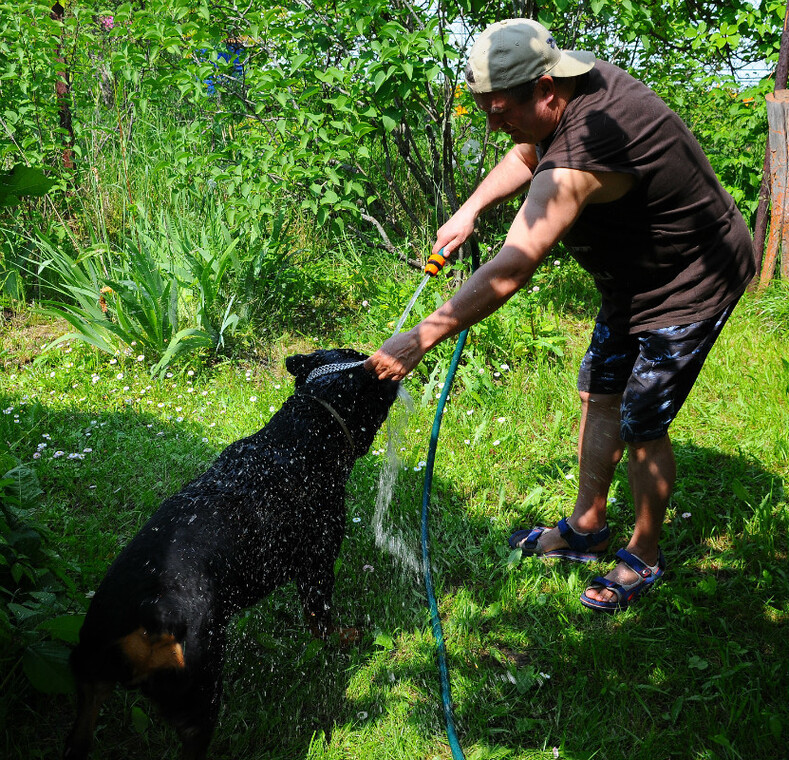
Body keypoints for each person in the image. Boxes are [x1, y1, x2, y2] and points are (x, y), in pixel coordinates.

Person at [364, 18, 754, 612]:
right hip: (633, 280)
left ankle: (644, 557)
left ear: (546, 89)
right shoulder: (562, 91)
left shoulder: (586, 152)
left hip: (693, 276)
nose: (493, 124)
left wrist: (419, 339)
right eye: (484, 110)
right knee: (599, 388)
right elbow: (528, 149)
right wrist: (471, 208)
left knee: (642, 414)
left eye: (500, 110)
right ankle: (587, 528)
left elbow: (513, 268)